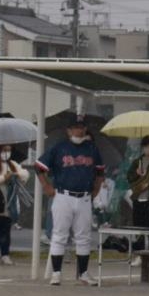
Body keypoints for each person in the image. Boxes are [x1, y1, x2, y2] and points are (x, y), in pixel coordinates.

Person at [36, 115, 105, 287]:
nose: (78, 130)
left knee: (83, 237)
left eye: (81, 127)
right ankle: (56, 273)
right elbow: (39, 167)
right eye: (75, 127)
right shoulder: (60, 147)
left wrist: (96, 189)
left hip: (84, 197)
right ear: (68, 130)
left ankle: (83, 273)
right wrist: (46, 186)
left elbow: (100, 171)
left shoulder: (92, 148)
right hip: (63, 196)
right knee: (59, 235)